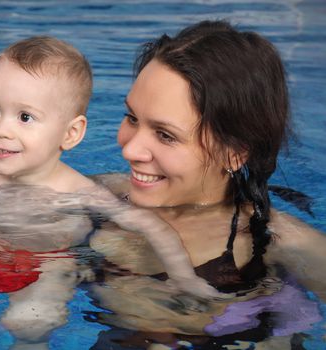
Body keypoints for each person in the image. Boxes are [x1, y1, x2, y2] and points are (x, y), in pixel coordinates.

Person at [0, 36, 219, 350]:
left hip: (49, 264)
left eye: (25, 117)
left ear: (71, 134)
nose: (0, 129)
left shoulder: (81, 191)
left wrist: (185, 278)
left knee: (32, 322)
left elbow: (151, 226)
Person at [88, 20, 325, 348]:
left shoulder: (283, 243)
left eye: (165, 135)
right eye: (131, 118)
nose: (128, 148)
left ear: (234, 153)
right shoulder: (96, 195)